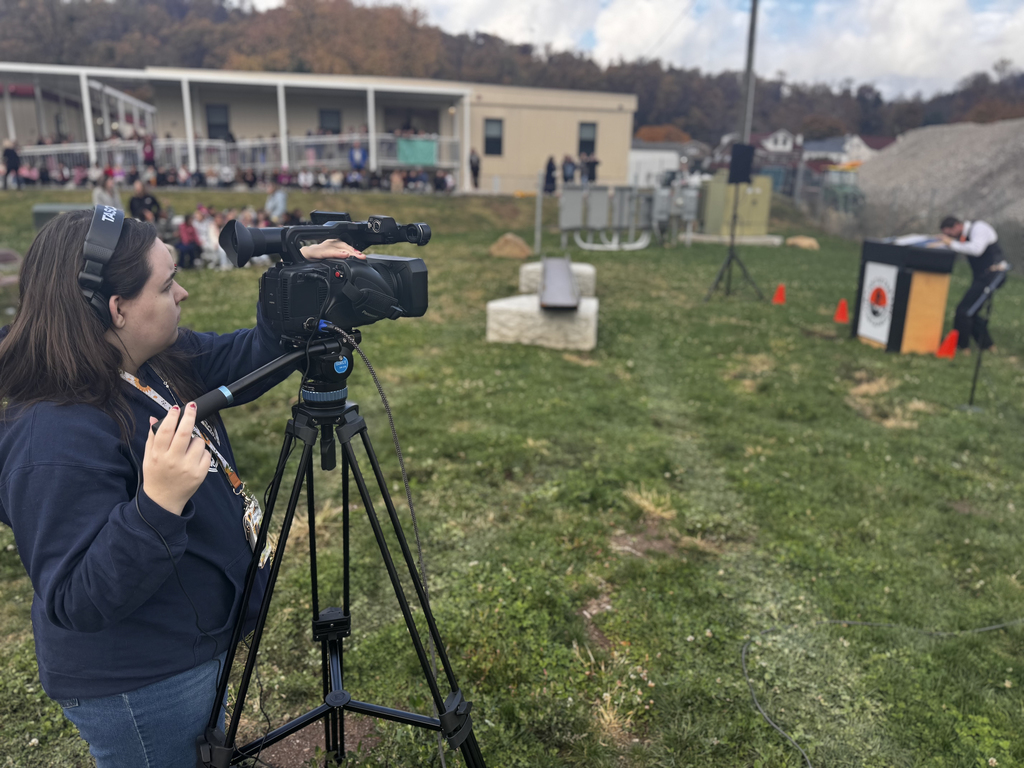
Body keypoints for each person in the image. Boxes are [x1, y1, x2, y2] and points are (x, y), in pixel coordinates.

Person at [0, 208, 365, 767]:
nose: (184, 292)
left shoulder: (150, 358)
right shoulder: (54, 436)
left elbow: (239, 361)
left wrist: (296, 287)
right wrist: (157, 505)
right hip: (139, 680)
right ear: (117, 309)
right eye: (167, 284)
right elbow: (75, 596)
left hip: (181, 639)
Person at [940, 216, 1010, 352]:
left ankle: (962, 347)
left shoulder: (979, 228)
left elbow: (977, 249)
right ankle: (988, 345)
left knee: (964, 310)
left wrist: (950, 243)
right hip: (982, 276)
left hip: (992, 275)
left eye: (949, 233)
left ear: (957, 226)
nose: (950, 237)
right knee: (972, 310)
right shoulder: (965, 235)